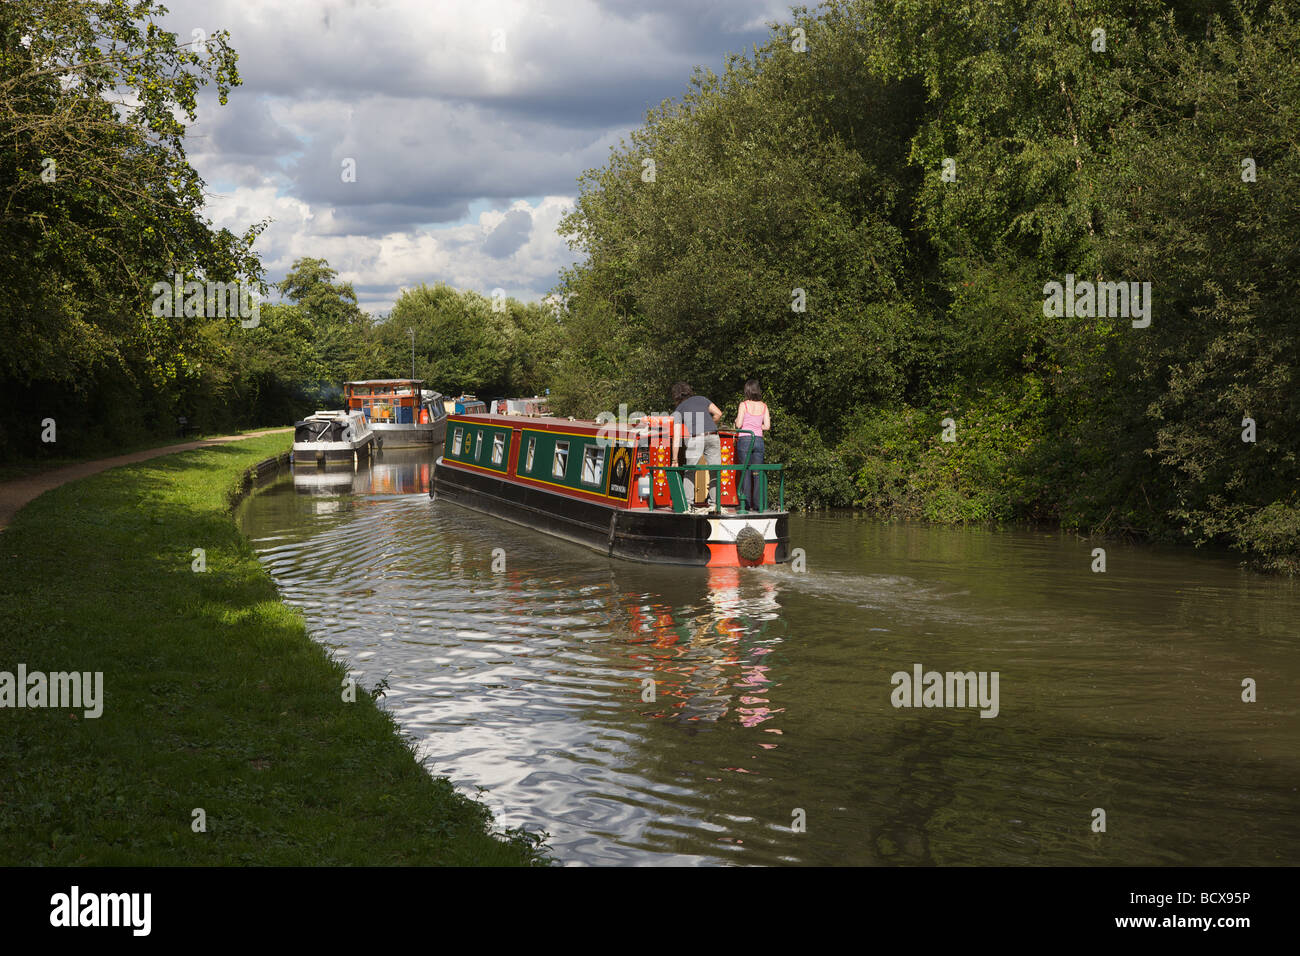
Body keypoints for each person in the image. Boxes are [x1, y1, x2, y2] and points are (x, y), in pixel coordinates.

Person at [670, 382, 722, 511]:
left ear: (676, 396)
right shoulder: (702, 399)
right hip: (713, 435)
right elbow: (718, 414)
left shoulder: (679, 409)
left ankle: (687, 504)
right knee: (715, 471)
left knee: (690, 471)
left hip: (696, 438)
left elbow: (676, 437)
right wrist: (709, 423)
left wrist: (675, 459)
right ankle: (715, 505)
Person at [734, 379, 770, 511]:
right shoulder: (764, 406)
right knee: (757, 473)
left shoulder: (744, 405)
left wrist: (738, 421)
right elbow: (767, 426)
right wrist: (756, 425)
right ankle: (758, 505)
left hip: (745, 439)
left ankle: (746, 505)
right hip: (759, 440)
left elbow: (738, 424)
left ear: (747, 390)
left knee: (746, 472)